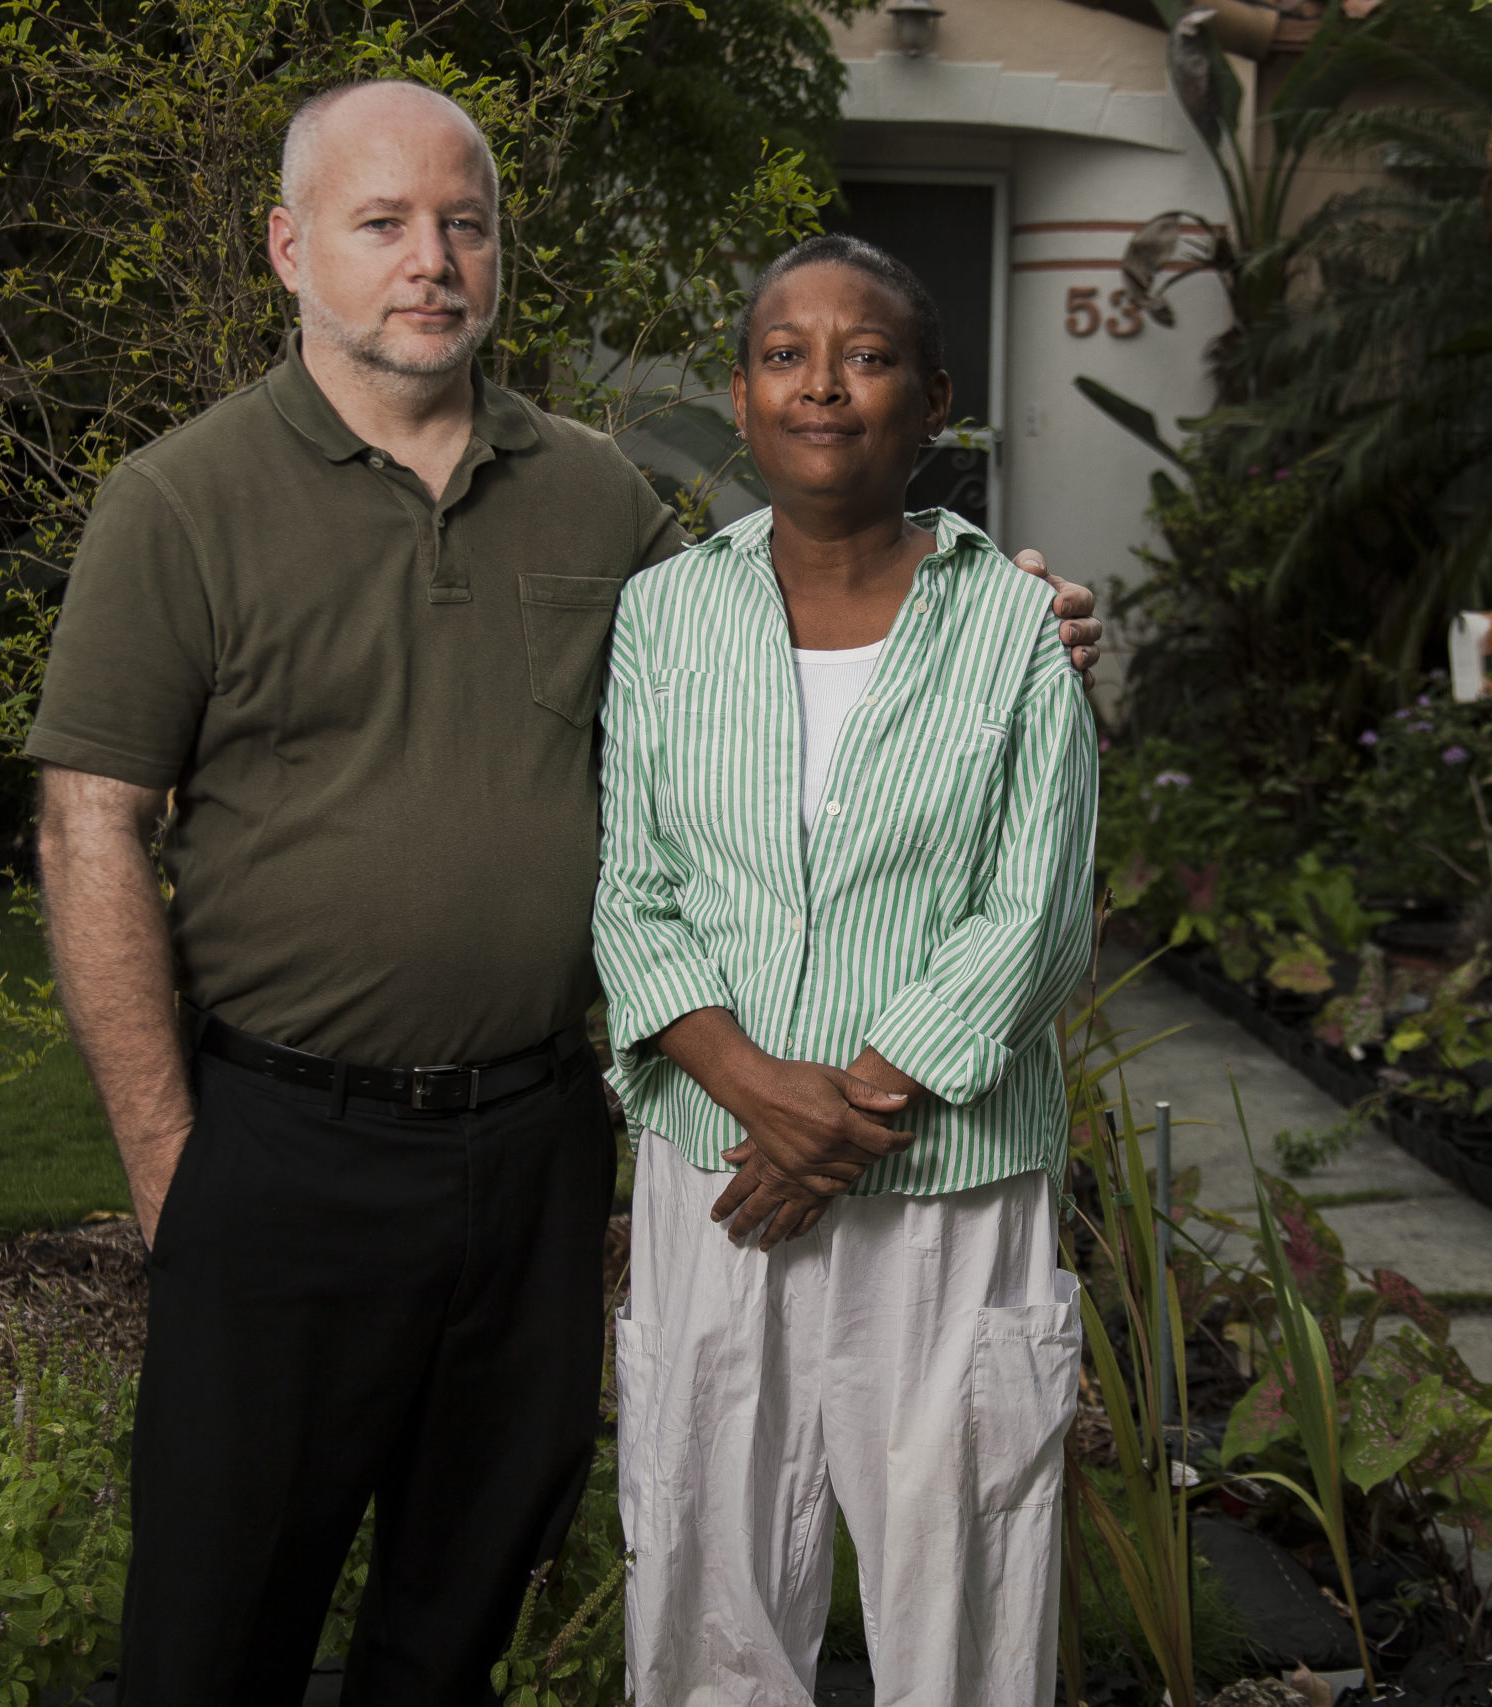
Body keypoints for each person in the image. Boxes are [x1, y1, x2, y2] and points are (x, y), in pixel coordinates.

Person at [22, 82, 1100, 1706]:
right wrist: (174, 1169)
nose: (431, 260)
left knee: (456, 1613)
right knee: (216, 1622)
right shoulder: (181, 500)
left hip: (531, 1155)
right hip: (286, 1150)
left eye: (463, 223)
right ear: (290, 248)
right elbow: (88, 830)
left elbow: (794, 628)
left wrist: (1012, 605)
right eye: (383, 223)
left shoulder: (600, 501)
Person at [596, 233, 1099, 1707]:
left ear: (932, 399)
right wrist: (761, 1096)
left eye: (867, 356)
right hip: (720, 1178)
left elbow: (1036, 912)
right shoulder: (666, 617)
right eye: (785, 355)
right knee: (710, 1584)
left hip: (949, 1182)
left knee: (963, 1586)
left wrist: (845, 1117)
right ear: (743, 398)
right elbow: (633, 893)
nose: (823, 385)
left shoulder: (1018, 627)